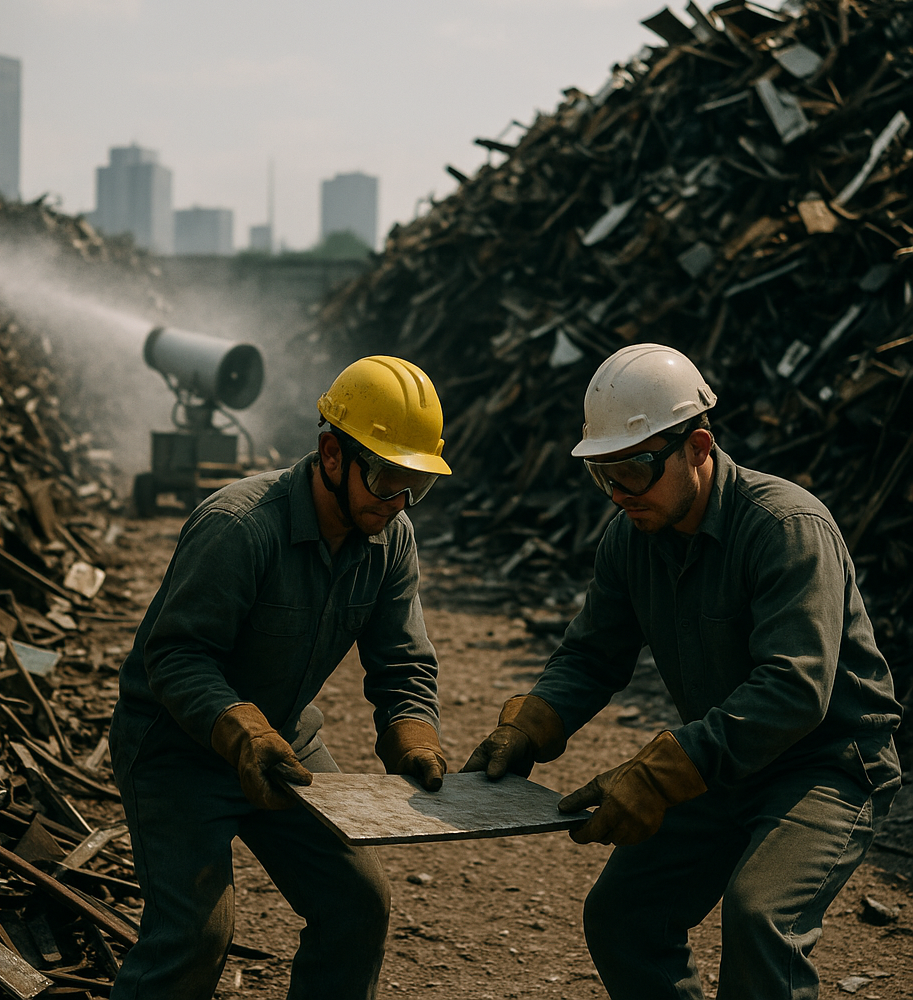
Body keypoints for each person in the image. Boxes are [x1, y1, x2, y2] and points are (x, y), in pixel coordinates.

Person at [464, 342, 902, 1000]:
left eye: (632, 471)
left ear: (697, 448)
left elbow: (794, 690)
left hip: (826, 767)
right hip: (727, 766)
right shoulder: (631, 538)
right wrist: (530, 726)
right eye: (601, 475)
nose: (617, 494)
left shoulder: (785, 527)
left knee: (761, 919)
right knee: (623, 917)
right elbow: (590, 655)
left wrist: (659, 771)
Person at [109, 355, 452, 1000]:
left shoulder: (390, 537)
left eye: (416, 484)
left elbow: (402, 660)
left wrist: (413, 735)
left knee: (356, 903)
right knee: (193, 939)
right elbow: (177, 657)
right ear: (331, 454)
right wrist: (241, 733)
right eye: (385, 480)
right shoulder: (238, 527)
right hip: (174, 750)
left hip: (283, 744)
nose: (399, 501)